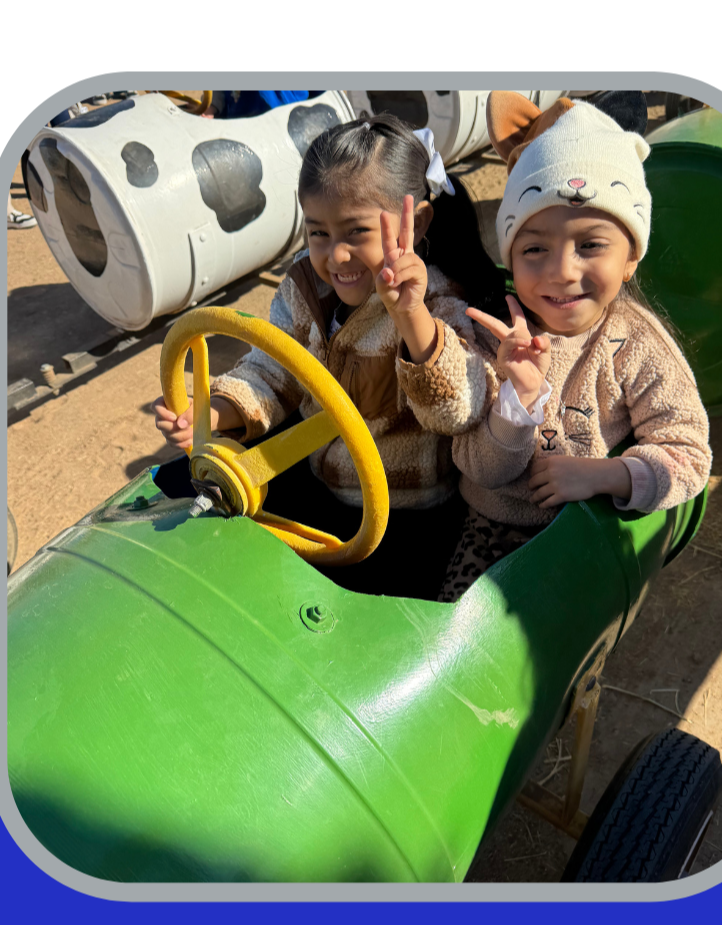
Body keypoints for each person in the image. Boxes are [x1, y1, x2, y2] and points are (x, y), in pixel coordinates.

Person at [150, 114, 494, 600]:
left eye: (356, 232)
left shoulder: (440, 304)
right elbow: (273, 371)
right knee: (186, 499)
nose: (336, 257)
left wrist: (411, 317)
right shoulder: (303, 288)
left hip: (402, 520)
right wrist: (214, 412)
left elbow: (457, 411)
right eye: (319, 234)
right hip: (319, 485)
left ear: (414, 226)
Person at [440, 98, 712, 602]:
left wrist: (602, 475)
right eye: (534, 248)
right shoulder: (487, 331)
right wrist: (518, 398)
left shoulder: (637, 345)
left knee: (563, 660)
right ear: (510, 254)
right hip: (486, 533)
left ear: (631, 256)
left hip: (584, 534)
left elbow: (691, 455)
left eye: (590, 245)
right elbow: (482, 471)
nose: (561, 270)